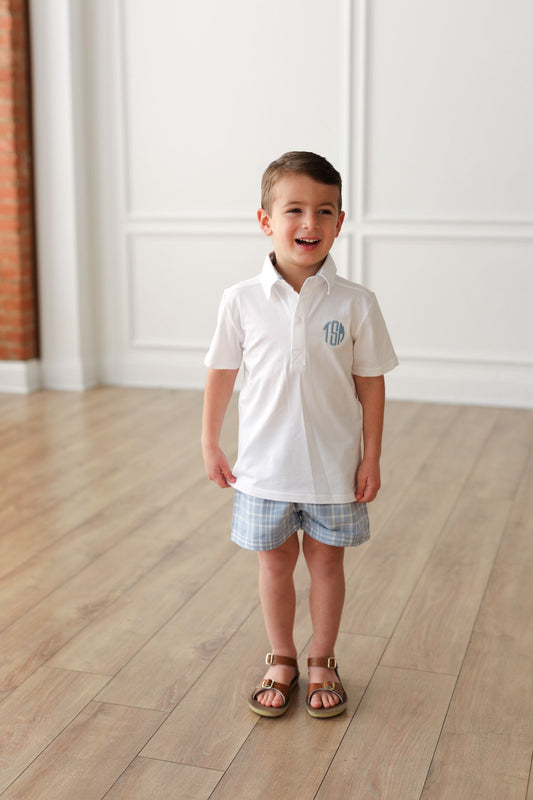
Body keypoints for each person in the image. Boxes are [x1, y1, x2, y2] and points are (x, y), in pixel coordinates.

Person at [201, 151, 398, 718]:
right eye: (294, 210)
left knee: (328, 565)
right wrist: (210, 442)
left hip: (334, 469)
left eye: (324, 211)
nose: (310, 223)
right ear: (266, 220)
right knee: (274, 565)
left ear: (340, 221)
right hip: (263, 469)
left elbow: (371, 384)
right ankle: (282, 657)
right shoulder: (240, 300)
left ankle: (322, 660)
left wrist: (371, 456)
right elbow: (222, 374)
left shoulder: (356, 303)